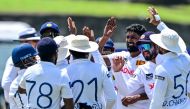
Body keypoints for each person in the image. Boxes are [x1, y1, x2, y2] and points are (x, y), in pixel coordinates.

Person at [18, 37, 74, 109]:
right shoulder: (62, 75)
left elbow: (20, 89)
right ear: (55, 54)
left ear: (38, 54)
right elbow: (70, 105)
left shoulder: (29, 70)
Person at [103, 24, 149, 109]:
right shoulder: (121, 56)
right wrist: (105, 38)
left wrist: (137, 97)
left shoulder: (148, 60)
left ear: (141, 39)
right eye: (127, 37)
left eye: (133, 37)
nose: (129, 40)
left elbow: (156, 89)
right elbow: (95, 59)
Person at [64, 35, 116, 109]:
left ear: (70, 52)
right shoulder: (101, 69)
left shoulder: (64, 72)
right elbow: (112, 98)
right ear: (88, 51)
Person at [112, 31, 158, 108]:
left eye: (146, 46)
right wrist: (117, 72)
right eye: (141, 47)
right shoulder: (142, 69)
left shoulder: (168, 63)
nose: (143, 50)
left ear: (156, 46)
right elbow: (125, 91)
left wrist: (160, 25)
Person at [149, 28, 190, 109]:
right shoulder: (186, 57)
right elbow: (172, 38)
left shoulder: (162, 69)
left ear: (162, 48)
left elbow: (157, 101)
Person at [1, 28, 40, 103]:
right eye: (35, 40)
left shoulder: (36, 56)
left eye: (37, 41)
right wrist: (22, 97)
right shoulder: (12, 59)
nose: (37, 43)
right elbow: (6, 83)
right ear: (23, 42)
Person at [9, 43, 38, 109]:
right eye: (33, 57)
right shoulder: (37, 76)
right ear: (26, 61)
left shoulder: (14, 84)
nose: (36, 60)